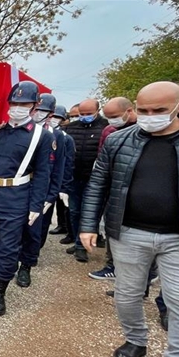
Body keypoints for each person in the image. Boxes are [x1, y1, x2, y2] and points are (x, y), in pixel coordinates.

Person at [80, 81, 179, 357]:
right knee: (127, 294)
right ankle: (136, 340)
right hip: (130, 233)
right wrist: (88, 224)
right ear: (136, 108)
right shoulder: (120, 141)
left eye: (159, 111)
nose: (150, 117)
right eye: (145, 110)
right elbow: (99, 183)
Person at [0, 81, 53, 315]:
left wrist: (36, 204)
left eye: (23, 103)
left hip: (15, 198)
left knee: (7, 250)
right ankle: (2, 268)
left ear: (34, 106)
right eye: (13, 103)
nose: (17, 107)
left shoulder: (41, 136)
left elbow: (43, 173)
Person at [16, 93, 66, 287]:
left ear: (51, 114)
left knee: (34, 230)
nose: (38, 114)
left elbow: (58, 167)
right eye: (37, 109)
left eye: (43, 111)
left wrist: (52, 194)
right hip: (21, 186)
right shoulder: (24, 132)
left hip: (42, 190)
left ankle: (26, 265)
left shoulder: (57, 136)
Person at [88, 97, 138, 281]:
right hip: (115, 189)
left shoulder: (147, 131)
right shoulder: (110, 132)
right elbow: (102, 162)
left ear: (130, 110)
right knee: (112, 228)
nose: (112, 121)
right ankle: (112, 266)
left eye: (115, 116)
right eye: (108, 117)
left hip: (139, 193)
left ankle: (145, 273)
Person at [64, 98, 109, 262]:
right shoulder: (71, 128)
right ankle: (78, 243)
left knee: (90, 213)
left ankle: (83, 244)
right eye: (81, 114)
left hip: (96, 180)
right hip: (74, 178)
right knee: (74, 211)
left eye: (88, 114)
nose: (84, 117)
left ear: (98, 111)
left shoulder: (105, 127)